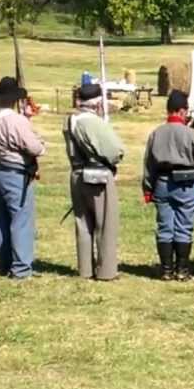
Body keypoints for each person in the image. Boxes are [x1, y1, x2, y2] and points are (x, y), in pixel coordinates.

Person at [0, 76, 46, 279]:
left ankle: (4, 263)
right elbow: (33, 147)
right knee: (20, 220)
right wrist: (41, 143)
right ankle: (21, 268)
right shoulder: (16, 120)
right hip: (13, 173)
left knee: (0, 219)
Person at [143, 90, 194, 281]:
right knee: (184, 226)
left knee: (164, 226)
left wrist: (148, 189)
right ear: (182, 111)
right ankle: (182, 269)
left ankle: (166, 269)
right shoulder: (192, 134)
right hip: (186, 184)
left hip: (162, 183)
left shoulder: (156, 133)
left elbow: (148, 163)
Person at [63, 83, 125, 281]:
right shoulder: (93, 123)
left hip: (77, 173)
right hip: (97, 175)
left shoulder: (70, 120)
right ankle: (106, 271)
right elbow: (114, 151)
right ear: (98, 102)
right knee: (105, 223)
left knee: (83, 223)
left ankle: (85, 269)